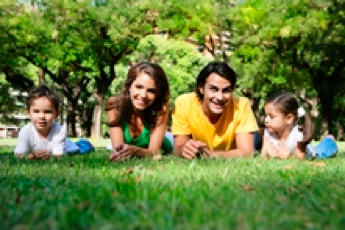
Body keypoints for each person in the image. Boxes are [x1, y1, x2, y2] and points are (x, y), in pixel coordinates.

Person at [172, 61, 259, 159]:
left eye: (226, 90)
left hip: (243, 134)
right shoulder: (184, 103)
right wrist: (185, 150)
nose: (220, 97)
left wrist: (210, 154)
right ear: (201, 88)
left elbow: (246, 152)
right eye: (214, 89)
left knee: (257, 139)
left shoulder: (242, 104)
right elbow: (178, 149)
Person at [105, 62, 173, 161]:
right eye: (139, 87)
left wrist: (136, 151)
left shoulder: (161, 108)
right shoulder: (114, 105)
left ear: (158, 94)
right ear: (129, 86)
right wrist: (120, 153)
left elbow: (155, 151)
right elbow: (118, 149)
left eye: (151, 91)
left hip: (165, 139)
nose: (143, 95)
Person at [261, 92, 338, 159]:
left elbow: (300, 158)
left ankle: (329, 140)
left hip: (312, 154)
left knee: (322, 151)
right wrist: (267, 154)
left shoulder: (298, 134)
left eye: (271, 117)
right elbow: (263, 153)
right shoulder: (268, 132)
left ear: (289, 118)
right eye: (266, 115)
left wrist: (289, 157)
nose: (266, 120)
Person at [14, 85, 79, 159]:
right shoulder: (25, 131)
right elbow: (18, 154)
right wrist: (30, 156)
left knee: (78, 149)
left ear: (56, 114)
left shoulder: (59, 131)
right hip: (58, 144)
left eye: (47, 112)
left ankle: (85, 143)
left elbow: (59, 156)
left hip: (67, 146)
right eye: (36, 111)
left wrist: (50, 156)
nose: (41, 116)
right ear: (28, 112)